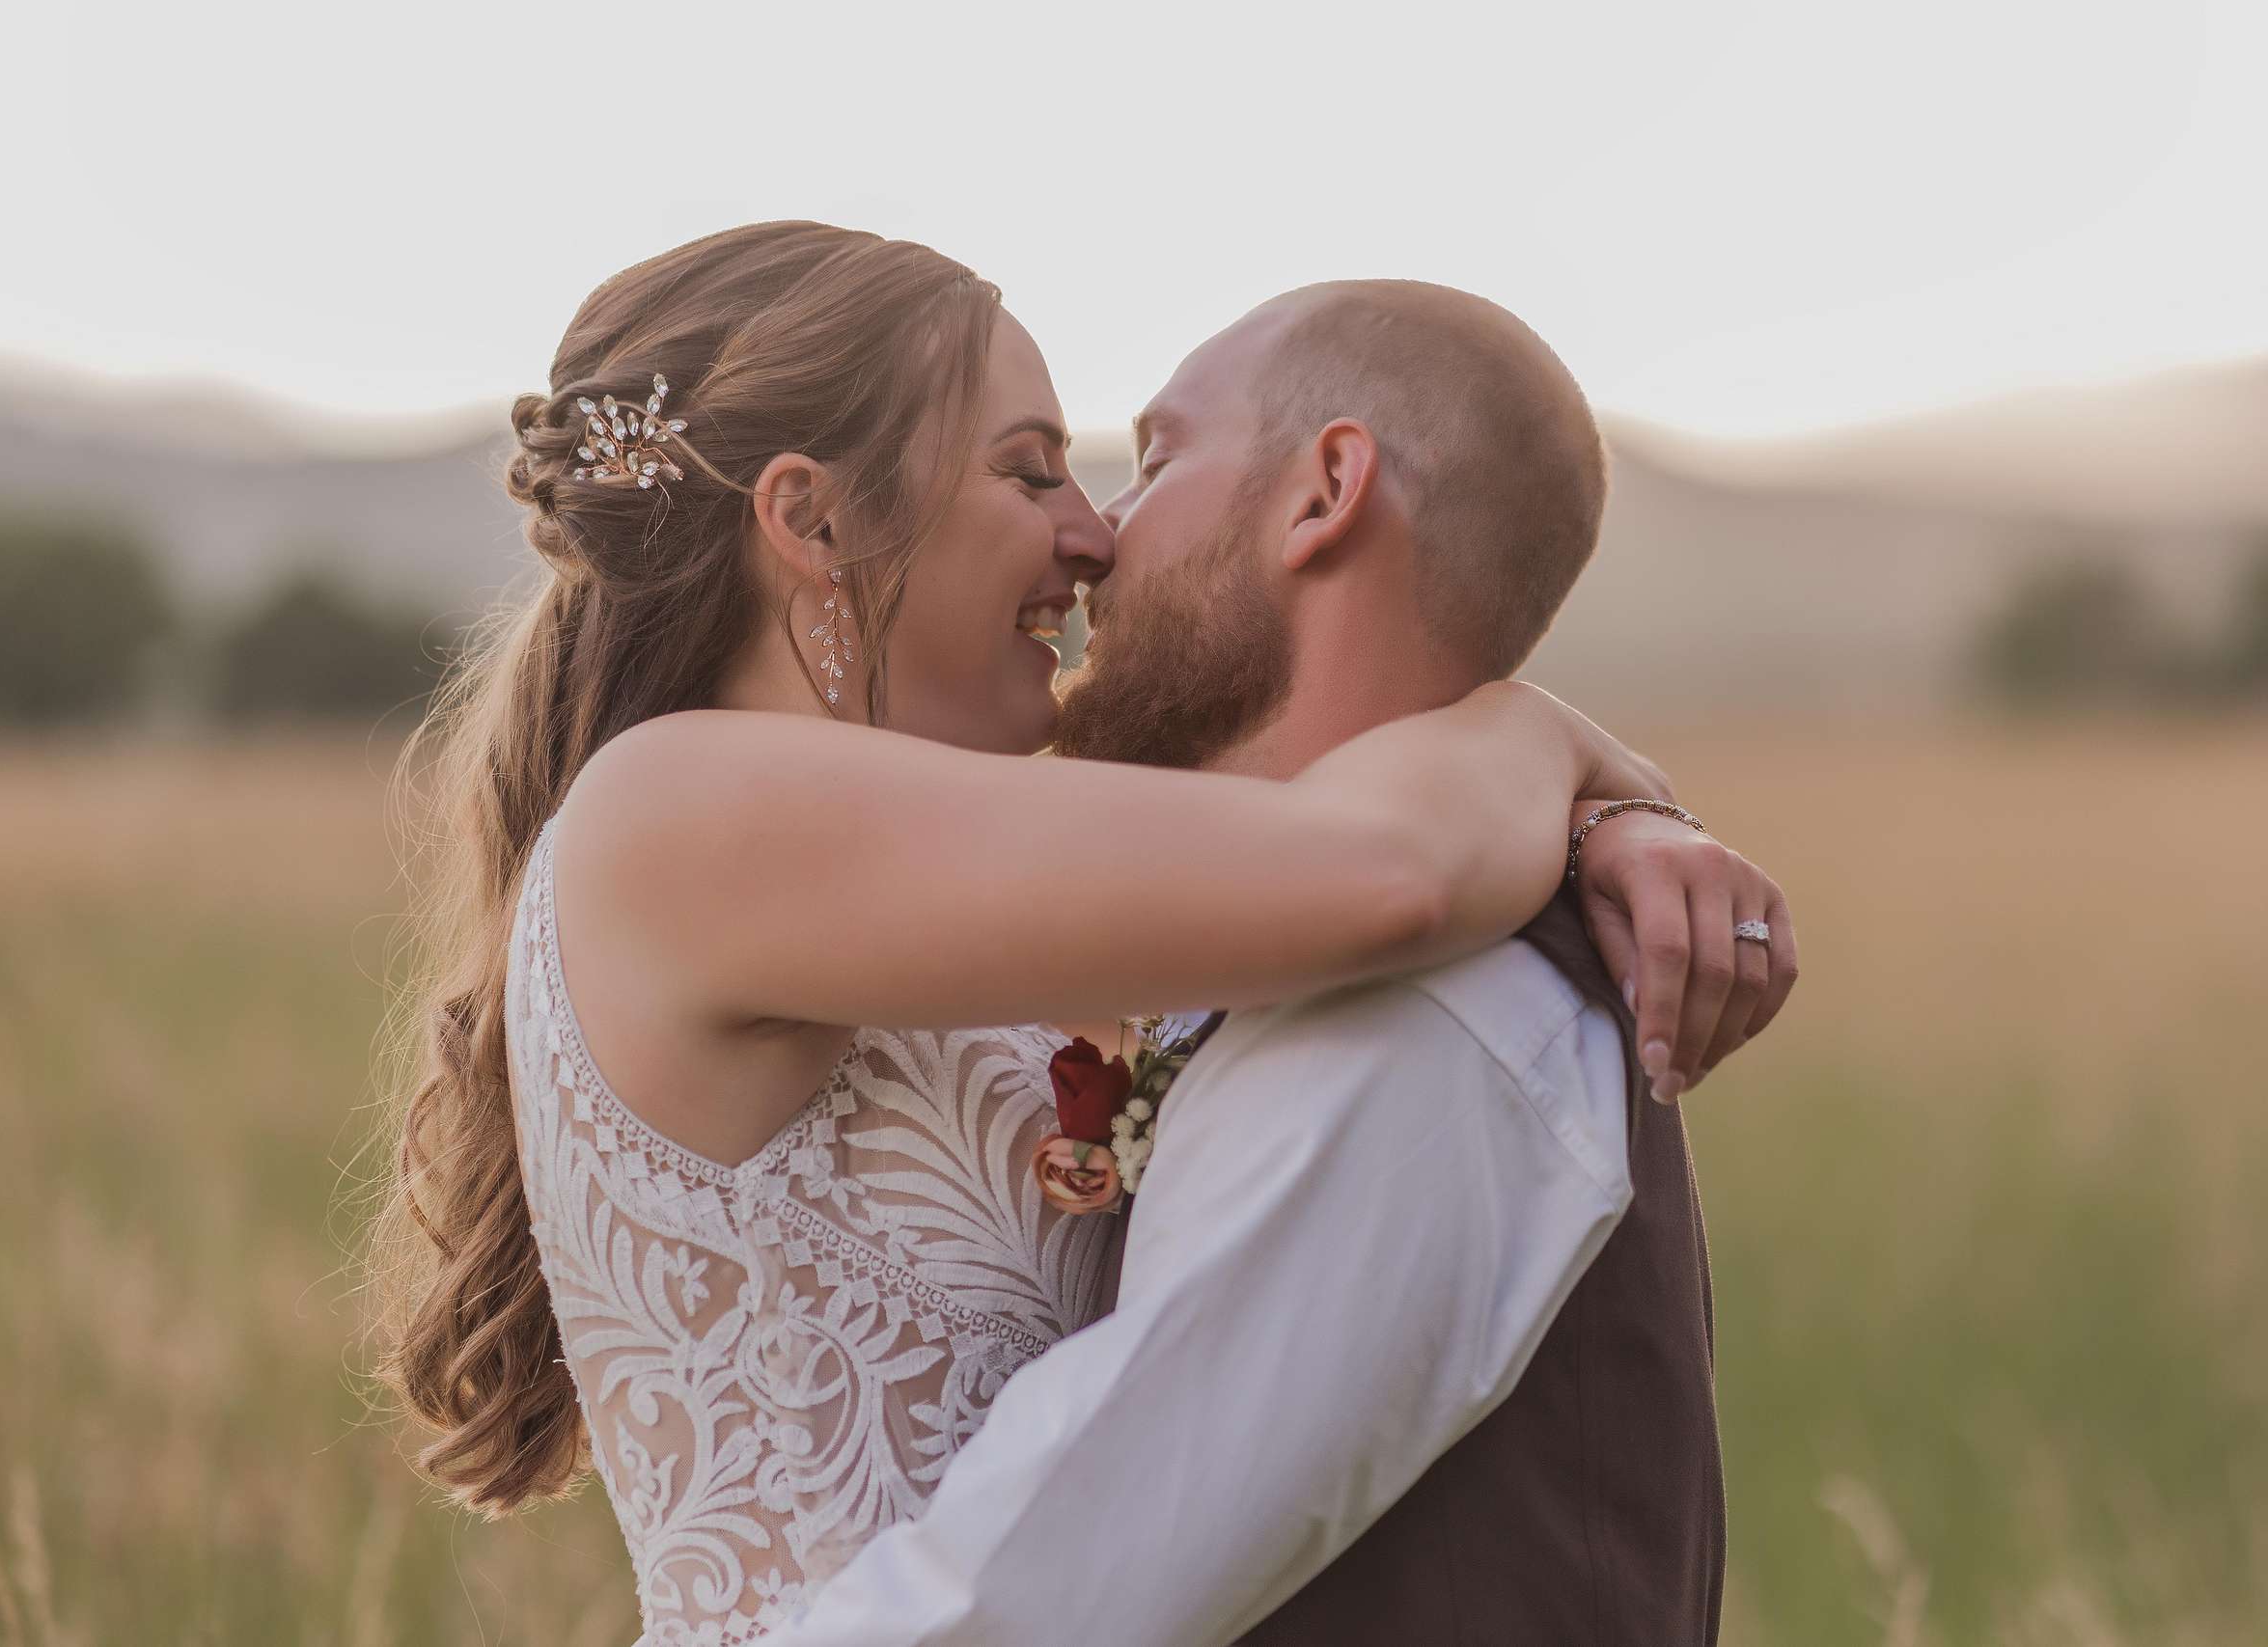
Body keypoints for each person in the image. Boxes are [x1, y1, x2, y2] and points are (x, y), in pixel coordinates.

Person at [367, 224, 1788, 1646]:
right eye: (1028, 467)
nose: (1092, 532)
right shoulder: (677, 806)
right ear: (811, 523)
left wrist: (1602, 823)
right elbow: (1382, 868)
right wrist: (1541, 735)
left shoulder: (908, 890)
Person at [759, 281, 1777, 1646]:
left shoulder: (1417, 1018)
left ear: (1326, 491)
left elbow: (1020, 1607)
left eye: (1159, 457)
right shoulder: (1331, 968)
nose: (1099, 540)